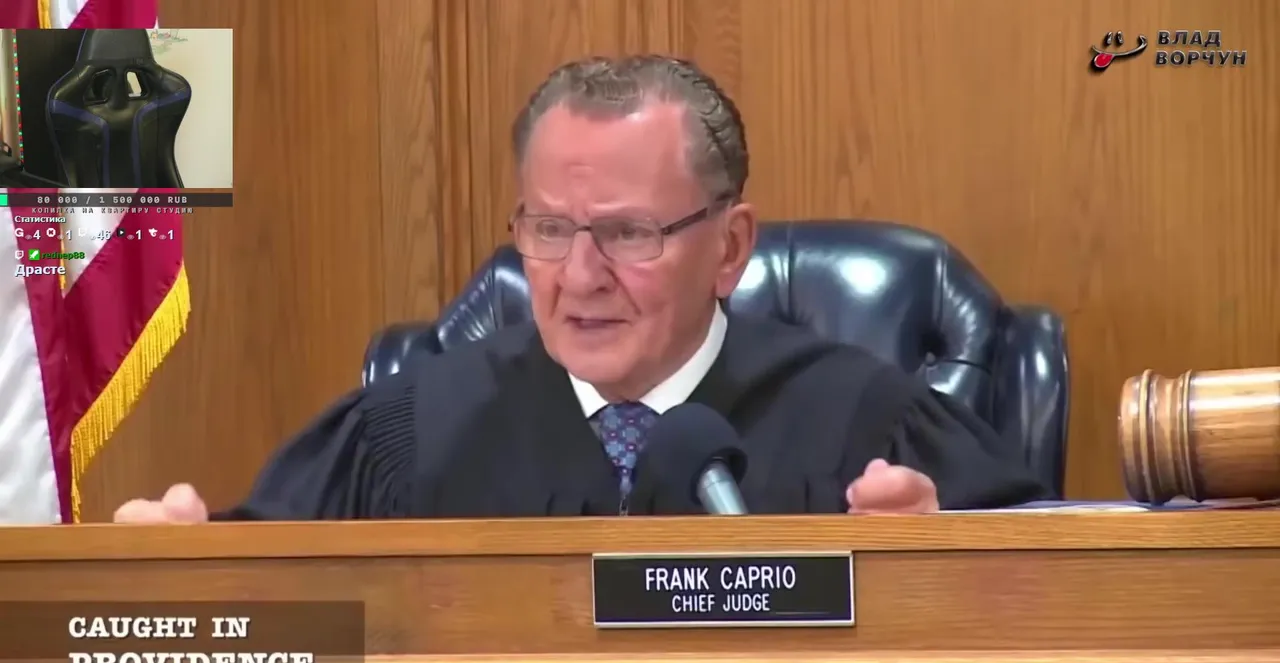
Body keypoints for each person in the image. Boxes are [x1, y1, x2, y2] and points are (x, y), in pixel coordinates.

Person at [115, 55, 1050, 524]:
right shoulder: (407, 435)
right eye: (550, 230)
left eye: (630, 233)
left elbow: (1048, 611)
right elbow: (276, 627)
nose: (580, 276)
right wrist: (188, 575)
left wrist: (937, 572)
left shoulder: (868, 424)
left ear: (730, 248)